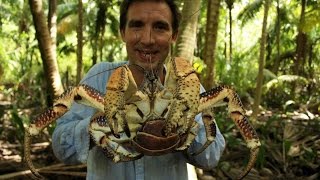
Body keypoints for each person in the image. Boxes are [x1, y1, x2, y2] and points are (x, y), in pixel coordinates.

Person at [52, 0, 225, 179]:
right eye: (137, 26)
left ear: (174, 35)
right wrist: (98, 125)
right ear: (122, 33)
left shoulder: (186, 83)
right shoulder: (99, 77)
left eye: (160, 27)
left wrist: (184, 126)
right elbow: (61, 148)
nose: (147, 39)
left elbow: (212, 156)